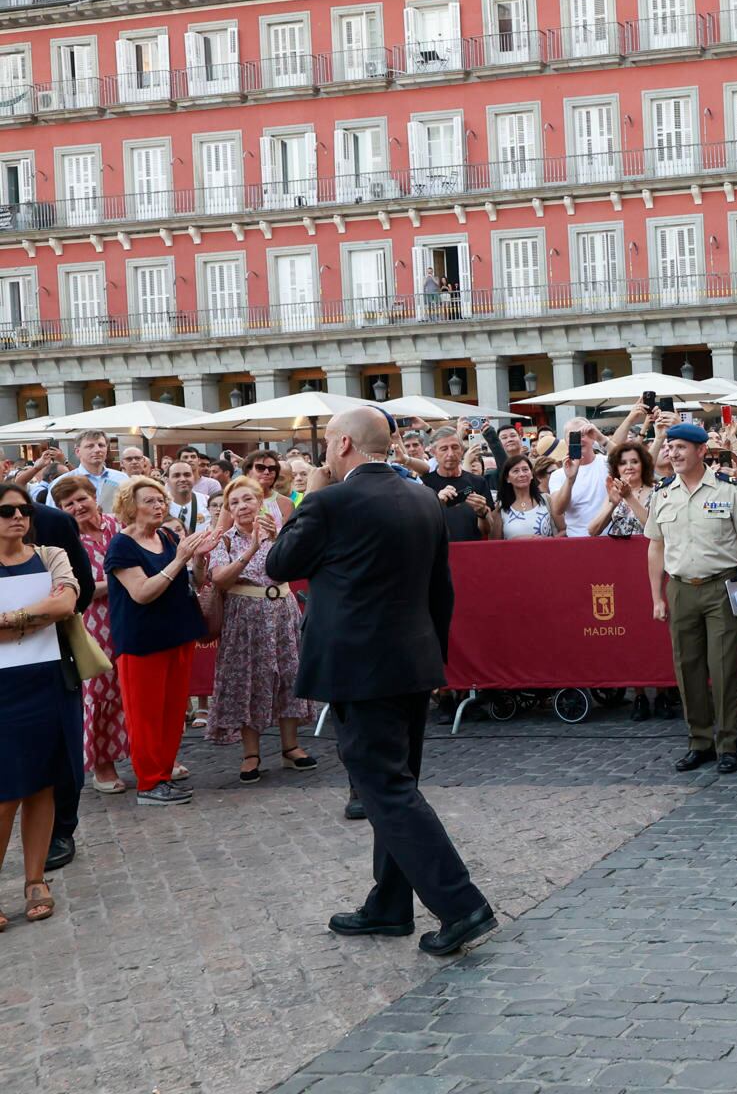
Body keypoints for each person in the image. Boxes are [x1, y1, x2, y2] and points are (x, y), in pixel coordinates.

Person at [267, 407, 495, 955]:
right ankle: (389, 906)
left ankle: (461, 904)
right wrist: (435, 661)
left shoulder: (329, 501)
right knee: (398, 785)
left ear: (343, 443)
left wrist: (311, 496)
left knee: (385, 791)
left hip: (360, 670)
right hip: (413, 664)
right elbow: (442, 590)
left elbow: (278, 563)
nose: (322, 452)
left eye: (326, 443)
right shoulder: (421, 497)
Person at [646, 422, 737, 775]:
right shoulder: (663, 493)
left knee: (725, 667)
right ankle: (699, 742)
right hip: (681, 588)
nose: (674, 453)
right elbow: (655, 547)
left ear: (702, 451)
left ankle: (727, 744)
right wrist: (656, 596)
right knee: (688, 668)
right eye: (670, 447)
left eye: (682, 447)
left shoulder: (729, 490)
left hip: (720, 587)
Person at [0, 481, 83, 930]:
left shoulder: (51, 555)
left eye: (23, 509)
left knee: (44, 785)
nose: (18, 517)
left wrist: (8, 619)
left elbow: (67, 603)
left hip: (48, 680)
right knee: (5, 792)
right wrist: (39, 611)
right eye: (6, 510)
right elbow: (50, 608)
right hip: (3, 688)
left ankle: (36, 881)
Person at [105, 477, 214, 806]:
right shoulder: (122, 545)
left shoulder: (166, 535)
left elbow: (192, 582)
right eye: (150, 501)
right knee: (146, 716)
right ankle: (149, 782)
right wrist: (180, 558)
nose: (159, 506)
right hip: (142, 642)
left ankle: (163, 775)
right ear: (129, 507)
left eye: (161, 500)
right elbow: (141, 593)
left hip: (177, 635)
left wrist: (197, 560)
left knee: (170, 714)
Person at [204, 475, 315, 783]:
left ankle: (290, 747)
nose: (241, 507)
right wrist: (251, 548)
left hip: (282, 610)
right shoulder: (224, 540)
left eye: (247, 499)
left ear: (261, 503)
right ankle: (251, 753)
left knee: (289, 673)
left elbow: (298, 567)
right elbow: (220, 580)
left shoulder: (280, 534)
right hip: (244, 616)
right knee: (247, 679)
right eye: (234, 502)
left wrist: (277, 538)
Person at [51, 478, 129, 793]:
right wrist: (121, 580)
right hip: (93, 624)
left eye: (81, 499)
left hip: (131, 616)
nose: (78, 507)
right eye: (68, 505)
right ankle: (102, 765)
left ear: (95, 497)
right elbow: (73, 589)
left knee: (133, 689)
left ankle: (147, 755)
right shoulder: (65, 541)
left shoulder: (117, 525)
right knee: (99, 692)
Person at [31, 495, 91, 875]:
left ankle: (59, 829)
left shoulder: (51, 522)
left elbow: (80, 588)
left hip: (50, 649)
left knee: (60, 742)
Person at [420, 427, 494, 543]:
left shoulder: (478, 482)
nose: (450, 453)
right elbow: (420, 528)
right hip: (439, 554)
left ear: (462, 450)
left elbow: (487, 530)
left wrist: (482, 513)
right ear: (434, 453)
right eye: (444, 449)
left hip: (471, 552)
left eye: (455, 447)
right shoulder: (425, 483)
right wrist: (436, 503)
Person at [546, 418, 611, 537]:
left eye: (583, 434)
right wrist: (570, 480)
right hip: (578, 540)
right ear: (566, 441)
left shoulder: (608, 463)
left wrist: (601, 438)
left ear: (592, 437)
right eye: (573, 436)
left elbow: (627, 457)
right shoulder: (558, 474)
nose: (580, 440)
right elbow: (558, 509)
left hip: (611, 537)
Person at [589, 441, 654, 538]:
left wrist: (628, 497)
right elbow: (593, 531)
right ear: (617, 469)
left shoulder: (657, 491)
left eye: (634, 462)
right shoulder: (615, 492)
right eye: (623, 463)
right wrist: (612, 504)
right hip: (619, 552)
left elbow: (654, 528)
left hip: (648, 550)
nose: (629, 467)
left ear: (643, 465)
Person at [53, 429, 128, 501]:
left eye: (101, 445)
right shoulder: (62, 483)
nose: (97, 450)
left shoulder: (121, 478)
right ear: (78, 452)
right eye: (90, 446)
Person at [495, 453, 554, 539]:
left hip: (544, 552)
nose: (522, 474)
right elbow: (494, 543)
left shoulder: (546, 499)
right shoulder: (501, 506)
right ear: (507, 478)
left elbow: (563, 530)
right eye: (516, 471)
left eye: (525, 469)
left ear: (531, 474)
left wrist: (547, 539)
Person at [245, 451, 296, 523]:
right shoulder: (234, 500)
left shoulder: (286, 503)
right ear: (248, 472)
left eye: (272, 468)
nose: (266, 472)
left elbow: (289, 533)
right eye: (260, 468)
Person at [164, 459, 210, 533]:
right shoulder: (161, 505)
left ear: (193, 477)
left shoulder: (207, 501)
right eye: (176, 476)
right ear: (167, 480)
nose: (182, 479)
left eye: (187, 475)